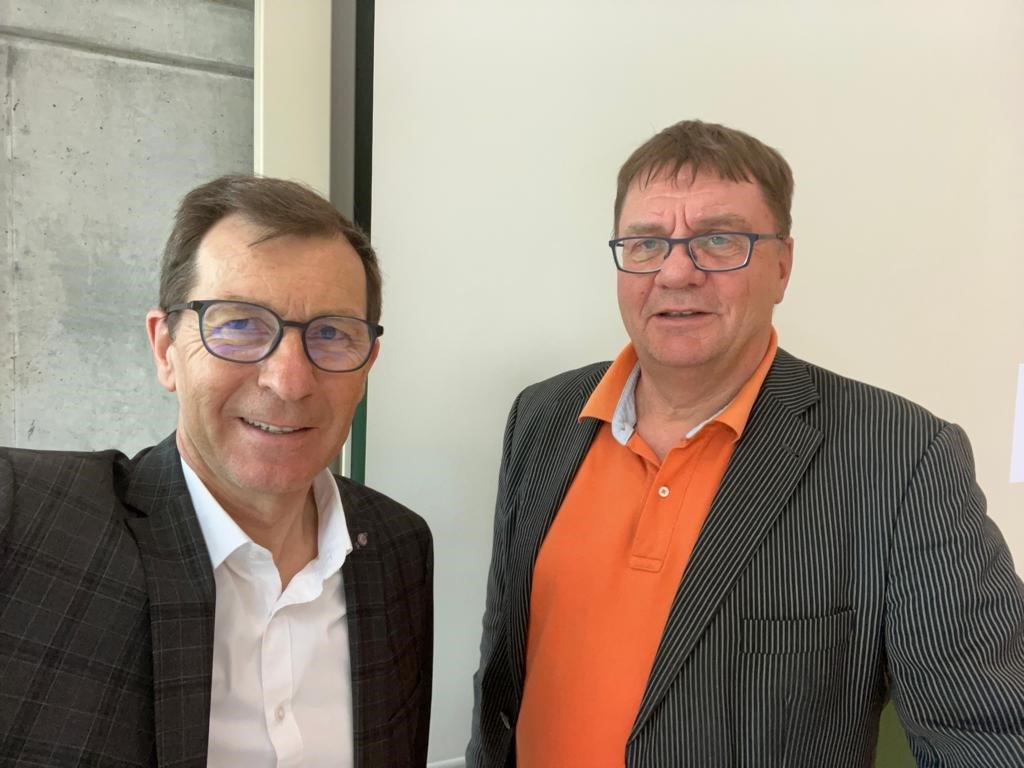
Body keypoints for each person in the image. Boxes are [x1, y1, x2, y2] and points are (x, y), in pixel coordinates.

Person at [467, 120, 1024, 767]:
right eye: (646, 243)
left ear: (782, 265)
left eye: (718, 239)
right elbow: (503, 669)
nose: (676, 271)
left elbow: (987, 732)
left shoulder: (902, 458)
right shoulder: (543, 418)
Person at [0, 175, 433, 767]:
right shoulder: (30, 518)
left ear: (367, 365)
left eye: (332, 334)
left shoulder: (398, 546)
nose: (289, 381)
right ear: (165, 349)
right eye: (239, 325)